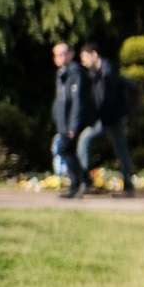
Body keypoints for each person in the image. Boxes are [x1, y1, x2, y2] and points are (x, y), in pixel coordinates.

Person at [77, 42, 136, 197]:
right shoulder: (97, 73)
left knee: (118, 150)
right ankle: (88, 182)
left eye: (85, 57)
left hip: (111, 118)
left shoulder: (108, 72)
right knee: (88, 142)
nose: (83, 62)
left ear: (94, 54)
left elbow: (105, 99)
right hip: (104, 118)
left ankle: (127, 187)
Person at [51, 42, 95, 199]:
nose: (61, 57)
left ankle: (82, 181)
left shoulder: (75, 72)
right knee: (67, 151)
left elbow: (77, 102)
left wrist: (72, 126)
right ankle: (78, 184)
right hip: (64, 123)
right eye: (57, 54)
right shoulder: (62, 73)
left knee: (64, 149)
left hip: (72, 123)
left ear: (71, 54)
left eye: (64, 53)